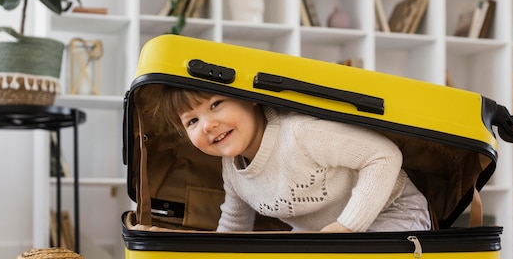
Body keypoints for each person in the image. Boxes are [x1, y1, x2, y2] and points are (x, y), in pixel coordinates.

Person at [134, 84, 431, 233]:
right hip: (328, 241)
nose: (207, 124)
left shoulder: (300, 134)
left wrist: (346, 228)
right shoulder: (232, 167)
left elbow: (384, 155)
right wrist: (175, 245)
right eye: (192, 121)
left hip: (394, 212)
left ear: (250, 96)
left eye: (216, 104)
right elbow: (234, 227)